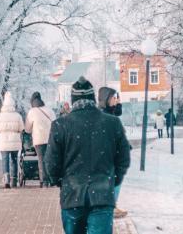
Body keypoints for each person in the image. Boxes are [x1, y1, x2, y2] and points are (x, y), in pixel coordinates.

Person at [46, 77, 131, 234]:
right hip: (102, 195)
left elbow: (51, 163)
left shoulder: (60, 125)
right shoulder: (112, 123)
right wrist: (112, 179)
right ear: (93, 98)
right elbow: (123, 158)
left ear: (73, 100)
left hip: (72, 196)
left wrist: (60, 181)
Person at [98, 87, 129, 219]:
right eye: (113, 98)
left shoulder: (109, 111)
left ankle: (111, 205)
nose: (115, 100)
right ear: (106, 99)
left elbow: (119, 112)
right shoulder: (103, 113)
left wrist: (119, 102)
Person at [25, 92, 56, 188]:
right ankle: (52, 179)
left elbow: (27, 129)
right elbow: (55, 123)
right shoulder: (49, 110)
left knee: (41, 160)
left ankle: (44, 181)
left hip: (39, 140)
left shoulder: (32, 112)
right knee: (50, 159)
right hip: (50, 139)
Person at [0, 92, 24, 189]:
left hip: (3, 142)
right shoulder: (18, 116)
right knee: (14, 160)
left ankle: (6, 180)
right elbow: (21, 128)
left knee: (5, 160)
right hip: (15, 141)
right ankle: (14, 180)